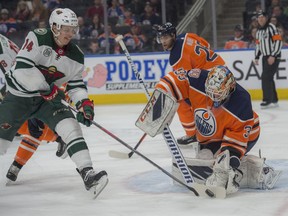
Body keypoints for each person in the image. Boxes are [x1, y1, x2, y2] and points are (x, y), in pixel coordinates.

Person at [0, 8, 108, 198]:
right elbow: (23, 69)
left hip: (45, 100)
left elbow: (75, 85)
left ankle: (88, 173)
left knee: (71, 127)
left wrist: (84, 104)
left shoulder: (76, 55)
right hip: (19, 95)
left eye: (72, 29)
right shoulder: (38, 37)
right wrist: (46, 88)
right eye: (65, 28)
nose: (70, 33)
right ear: (54, 26)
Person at [153, 66, 281, 195]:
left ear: (230, 88)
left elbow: (237, 139)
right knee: (205, 158)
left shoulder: (241, 101)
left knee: (224, 163)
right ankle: (230, 168)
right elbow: (175, 80)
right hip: (212, 135)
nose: (214, 98)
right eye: (210, 93)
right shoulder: (198, 79)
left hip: (246, 135)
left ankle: (258, 171)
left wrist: (230, 160)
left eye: (218, 94)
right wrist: (161, 94)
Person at [154, 22, 226, 145]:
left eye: (165, 37)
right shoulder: (187, 36)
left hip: (212, 80)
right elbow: (206, 45)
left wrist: (189, 99)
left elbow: (187, 81)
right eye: (161, 38)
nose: (163, 41)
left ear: (173, 36)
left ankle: (193, 134)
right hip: (222, 71)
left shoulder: (177, 56)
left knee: (181, 100)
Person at [255, 10, 282, 109]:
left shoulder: (272, 28)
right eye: (259, 18)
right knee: (269, 77)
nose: (261, 19)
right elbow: (258, 45)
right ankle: (274, 99)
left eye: (262, 17)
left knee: (265, 77)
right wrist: (257, 57)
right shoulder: (258, 31)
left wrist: (273, 55)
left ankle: (267, 100)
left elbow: (278, 42)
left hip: (273, 56)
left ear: (266, 18)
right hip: (265, 57)